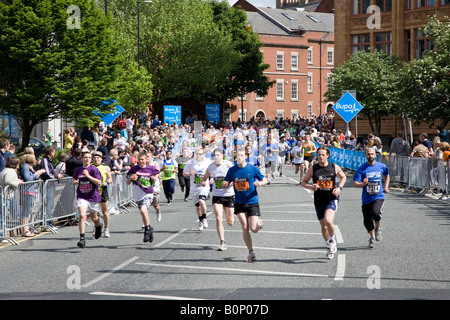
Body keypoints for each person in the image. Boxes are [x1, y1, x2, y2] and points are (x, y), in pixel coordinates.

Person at [301, 146, 346, 259]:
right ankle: (328, 244)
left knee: (328, 221)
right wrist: (311, 186)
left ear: (327, 156)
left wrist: (339, 188)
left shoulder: (334, 167)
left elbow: (343, 177)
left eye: (323, 155)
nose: (320, 157)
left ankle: (332, 239)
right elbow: (303, 182)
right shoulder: (313, 169)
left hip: (331, 198)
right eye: (319, 155)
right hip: (319, 200)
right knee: (324, 227)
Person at [223, 148, 268, 262]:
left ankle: (259, 224)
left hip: (252, 201)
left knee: (253, 229)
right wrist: (225, 183)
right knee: (244, 227)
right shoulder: (232, 170)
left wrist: (260, 183)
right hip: (239, 202)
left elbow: (265, 180)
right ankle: (251, 252)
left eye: (242, 155)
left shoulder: (252, 169)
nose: (239, 157)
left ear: (246, 157)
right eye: (237, 156)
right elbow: (227, 182)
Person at [353, 147, 390, 248]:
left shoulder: (381, 166)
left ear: (375, 155)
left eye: (372, 154)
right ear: (365, 155)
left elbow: (387, 175)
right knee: (367, 220)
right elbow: (355, 184)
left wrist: (386, 187)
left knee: (376, 212)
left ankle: (378, 228)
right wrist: (363, 184)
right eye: (368, 154)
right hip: (366, 198)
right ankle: (372, 237)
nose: (370, 156)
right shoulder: (362, 169)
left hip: (378, 195)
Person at [201, 148, 235, 251]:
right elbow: (204, 178)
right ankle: (222, 242)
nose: (216, 157)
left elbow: (236, 177)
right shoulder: (211, 167)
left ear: (223, 156)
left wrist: (229, 183)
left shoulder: (228, 165)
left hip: (229, 195)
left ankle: (232, 215)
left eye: (218, 155)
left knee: (230, 222)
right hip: (217, 195)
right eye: (214, 155)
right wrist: (203, 182)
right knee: (218, 218)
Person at [126, 152, 160, 243]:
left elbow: (158, 173)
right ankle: (149, 228)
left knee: (143, 210)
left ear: (146, 160)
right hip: (138, 194)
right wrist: (131, 178)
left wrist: (155, 177)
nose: (141, 161)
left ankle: (146, 230)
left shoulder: (151, 168)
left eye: (143, 159)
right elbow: (127, 182)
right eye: (139, 160)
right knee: (143, 213)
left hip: (148, 193)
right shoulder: (134, 169)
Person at [72, 151, 103, 248]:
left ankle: (98, 226)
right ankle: (82, 238)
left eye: (89, 157)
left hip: (93, 196)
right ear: (82, 158)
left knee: (94, 217)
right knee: (82, 215)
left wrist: (88, 176)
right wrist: (74, 181)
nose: (87, 159)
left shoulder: (94, 170)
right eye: (85, 157)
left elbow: (99, 182)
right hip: (82, 196)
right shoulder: (78, 170)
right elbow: (74, 178)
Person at [183, 147, 211, 231]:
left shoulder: (207, 162)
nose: (198, 155)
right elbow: (184, 173)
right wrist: (189, 173)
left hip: (204, 186)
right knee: (198, 207)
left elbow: (212, 171)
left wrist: (212, 178)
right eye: (197, 154)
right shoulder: (190, 162)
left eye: (200, 154)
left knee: (202, 202)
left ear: (203, 154)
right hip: (194, 187)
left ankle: (205, 218)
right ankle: (200, 220)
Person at [20, 154, 46, 237]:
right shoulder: (25, 167)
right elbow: (28, 179)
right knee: (26, 211)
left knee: (27, 211)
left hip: (31, 191)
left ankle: (26, 229)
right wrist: (37, 173)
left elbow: (33, 176)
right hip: (27, 191)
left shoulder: (29, 167)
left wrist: (35, 172)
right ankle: (25, 230)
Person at [92, 151, 113, 238]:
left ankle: (106, 228)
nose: (96, 159)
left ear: (101, 159)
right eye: (95, 158)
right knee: (94, 212)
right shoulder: (90, 167)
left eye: (98, 158)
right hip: (93, 191)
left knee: (105, 211)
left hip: (102, 190)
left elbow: (110, 178)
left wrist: (107, 182)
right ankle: (96, 226)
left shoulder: (106, 167)